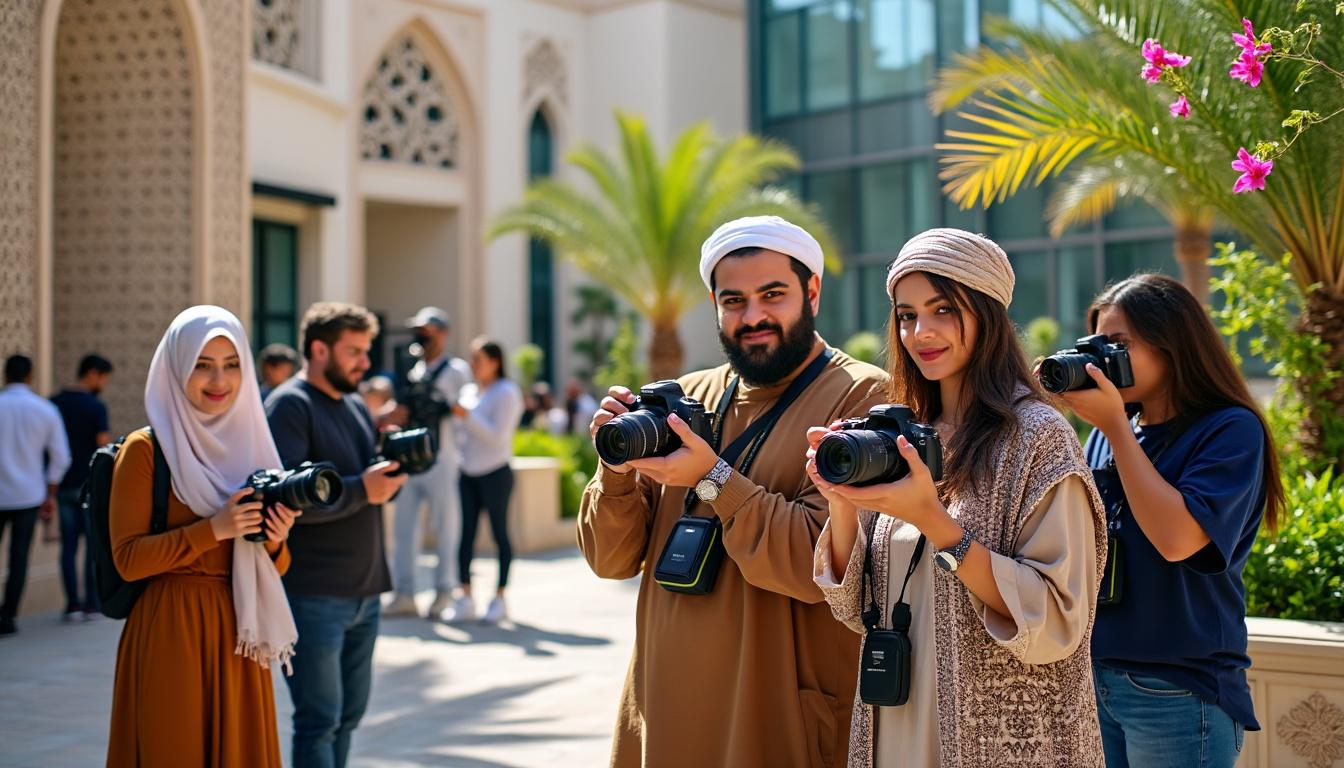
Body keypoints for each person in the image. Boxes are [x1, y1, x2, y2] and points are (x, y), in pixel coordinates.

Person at [578, 216, 888, 768]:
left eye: (773, 295)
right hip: (664, 712)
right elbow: (610, 559)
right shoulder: (685, 398)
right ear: (714, 304)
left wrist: (713, 479)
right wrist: (616, 470)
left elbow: (818, 566)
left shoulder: (861, 395)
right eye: (733, 301)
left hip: (774, 716)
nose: (752, 317)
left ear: (812, 291)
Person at [809, 228, 1107, 767]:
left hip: (999, 744)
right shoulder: (902, 436)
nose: (920, 332)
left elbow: (1058, 618)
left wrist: (934, 522)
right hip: (895, 724)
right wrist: (842, 503)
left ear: (987, 313)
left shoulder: (1037, 437)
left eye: (943, 309)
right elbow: (856, 610)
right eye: (906, 315)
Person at [1057, 274, 1283, 768]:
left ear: (1172, 343)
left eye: (1119, 345)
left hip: (1177, 687)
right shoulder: (1109, 433)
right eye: (1096, 346)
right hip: (1097, 677)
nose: (1103, 360)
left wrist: (1115, 428)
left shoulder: (1229, 429)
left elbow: (1177, 539)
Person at [105, 306, 298, 767]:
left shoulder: (252, 445)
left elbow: (275, 566)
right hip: (172, 630)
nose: (219, 380)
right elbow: (128, 559)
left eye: (232, 365)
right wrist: (213, 530)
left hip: (240, 631)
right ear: (177, 368)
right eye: (202, 365)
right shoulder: (145, 450)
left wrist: (275, 539)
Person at [265, 302, 408, 768]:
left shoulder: (353, 404)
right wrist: (363, 489)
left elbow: (365, 480)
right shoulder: (289, 405)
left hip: (365, 592)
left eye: (366, 351)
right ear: (319, 349)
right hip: (313, 596)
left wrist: (388, 473)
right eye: (354, 352)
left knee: (347, 719)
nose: (365, 363)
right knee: (318, 722)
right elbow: (285, 499)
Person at [384, 306, 472, 619]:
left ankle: (444, 592)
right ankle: (404, 593)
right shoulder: (411, 368)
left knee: (446, 527)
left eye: (427, 331)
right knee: (403, 528)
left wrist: (443, 404)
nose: (420, 337)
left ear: (442, 334)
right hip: (410, 458)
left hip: (442, 457)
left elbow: (466, 409)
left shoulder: (456, 371)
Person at [447, 338, 524, 624]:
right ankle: (465, 597)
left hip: (495, 473)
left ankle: (500, 598)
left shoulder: (507, 392)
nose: (473, 364)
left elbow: (496, 436)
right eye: (472, 358)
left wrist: (467, 416)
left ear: (495, 362)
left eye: (478, 359)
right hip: (467, 473)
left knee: (499, 535)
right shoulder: (469, 391)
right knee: (465, 536)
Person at [0, 355, 71, 637]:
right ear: (30, 376)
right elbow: (61, 457)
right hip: (29, 495)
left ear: (5, 375)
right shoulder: (45, 410)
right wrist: (50, 493)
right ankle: (8, 616)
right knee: (19, 558)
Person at [51, 353, 114, 621]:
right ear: (92, 373)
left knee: (68, 546)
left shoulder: (54, 402)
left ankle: (72, 604)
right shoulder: (95, 406)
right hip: (88, 486)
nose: (104, 384)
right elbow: (103, 446)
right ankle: (91, 604)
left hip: (62, 484)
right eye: (104, 378)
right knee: (92, 546)